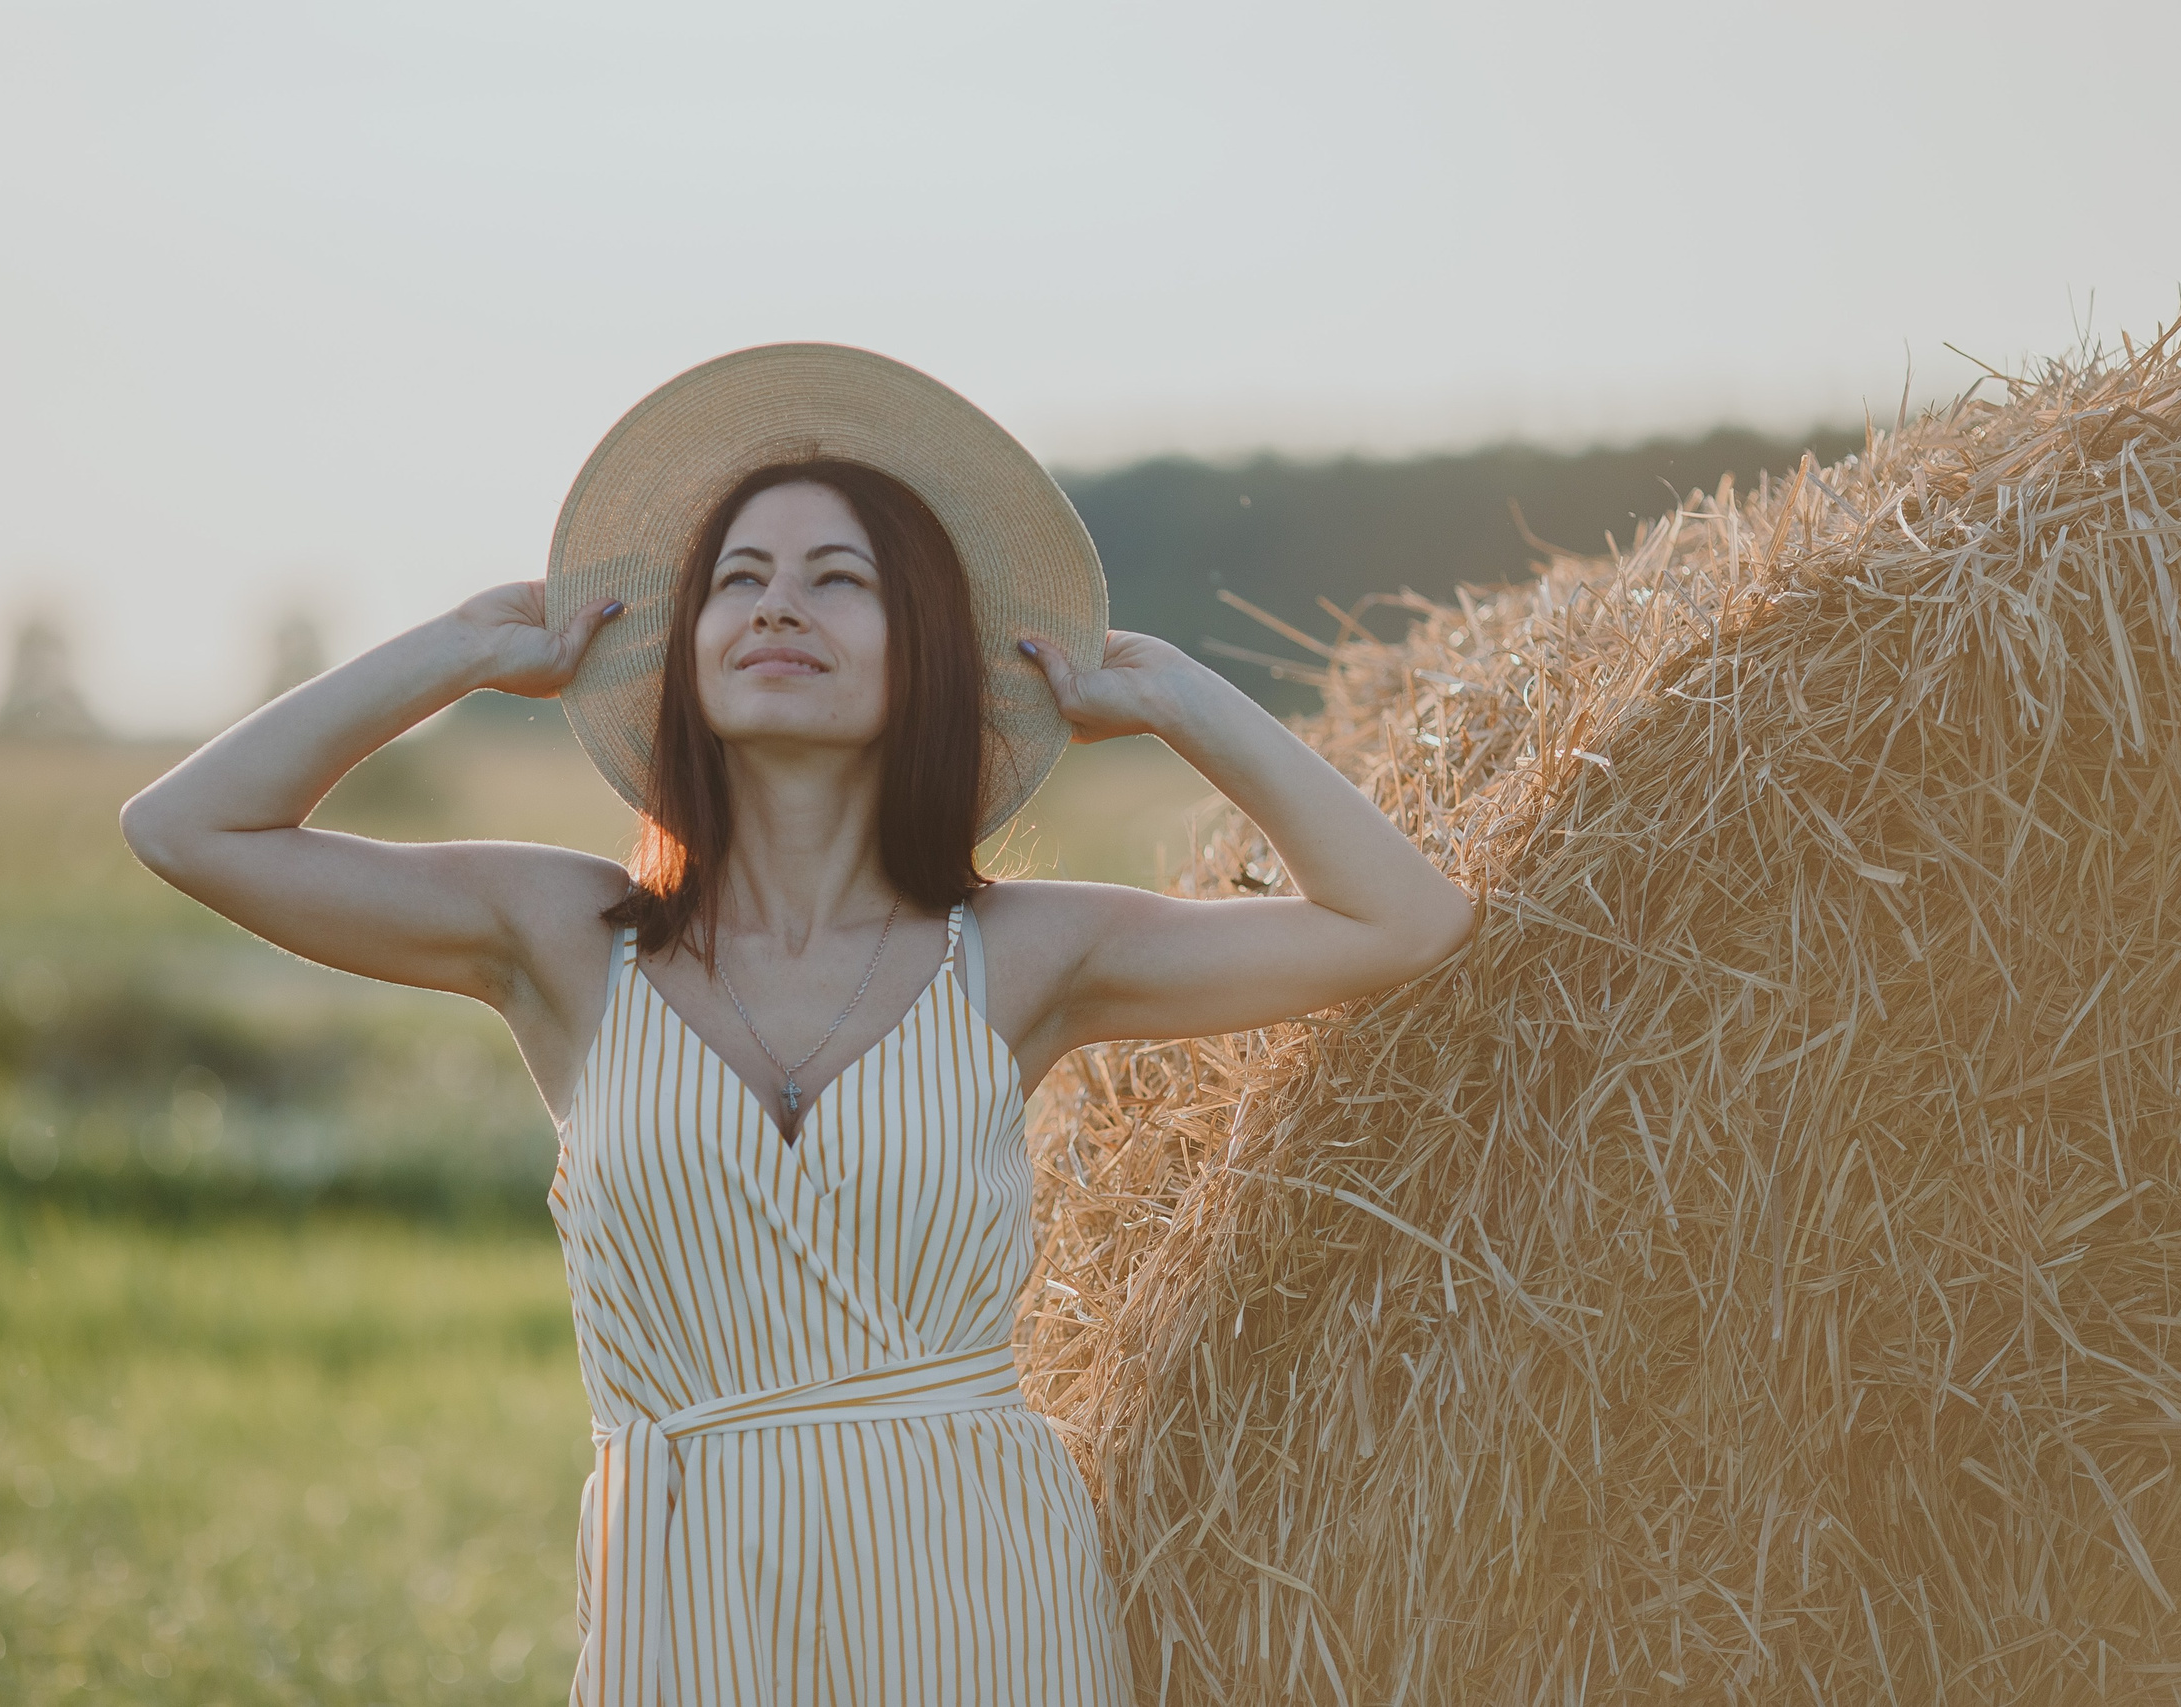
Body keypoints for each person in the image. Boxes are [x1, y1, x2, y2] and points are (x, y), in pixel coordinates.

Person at [120, 344, 1474, 1706]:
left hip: (986, 1615)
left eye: (841, 580)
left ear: (922, 655)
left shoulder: (1024, 955)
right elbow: (186, 828)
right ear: (687, 650)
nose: (779, 608)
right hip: (689, 1617)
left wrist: (1176, 694)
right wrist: (467, 649)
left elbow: (1401, 922)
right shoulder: (560, 941)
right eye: (737, 581)